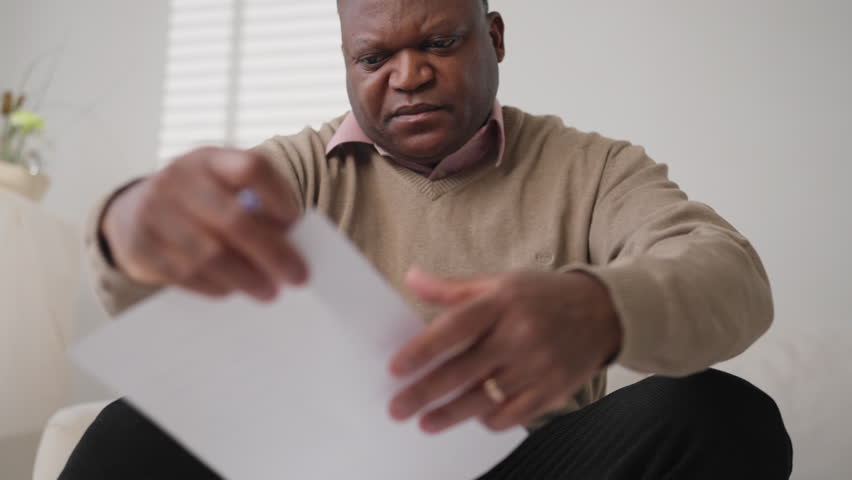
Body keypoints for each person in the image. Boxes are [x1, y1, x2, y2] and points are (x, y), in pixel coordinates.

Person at [60, 0, 793, 478]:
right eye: (373, 59)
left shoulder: (594, 168)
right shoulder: (292, 171)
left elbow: (729, 275)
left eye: (440, 42)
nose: (408, 76)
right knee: (128, 432)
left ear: (495, 36)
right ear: (347, 63)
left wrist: (599, 306)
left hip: (527, 465)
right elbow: (148, 290)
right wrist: (127, 223)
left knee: (721, 417)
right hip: (321, 468)